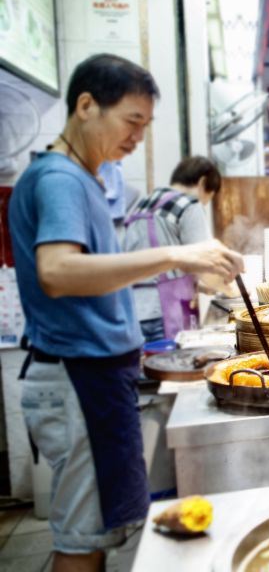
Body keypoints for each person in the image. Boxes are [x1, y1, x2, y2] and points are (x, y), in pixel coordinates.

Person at [9, 54, 243, 572]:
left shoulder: (87, 180)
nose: (137, 137)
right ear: (86, 105)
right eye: (131, 121)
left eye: (146, 126)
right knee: (80, 539)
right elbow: (58, 272)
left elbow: (91, 271)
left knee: (92, 529)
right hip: (77, 376)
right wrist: (176, 255)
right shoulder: (61, 180)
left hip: (93, 375)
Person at [123, 156, 226, 342]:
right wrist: (227, 288)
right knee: (172, 368)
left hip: (132, 311)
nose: (203, 205)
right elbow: (206, 261)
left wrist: (200, 285)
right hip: (165, 313)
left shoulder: (143, 204)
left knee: (147, 368)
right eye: (207, 199)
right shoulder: (189, 205)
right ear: (202, 183)